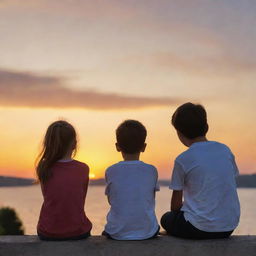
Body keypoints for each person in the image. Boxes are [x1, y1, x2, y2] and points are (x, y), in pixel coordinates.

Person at [161, 103, 240, 239]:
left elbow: (175, 206)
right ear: (207, 127)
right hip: (228, 227)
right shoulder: (225, 150)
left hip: (197, 229)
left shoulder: (183, 159)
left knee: (166, 218)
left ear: (179, 134)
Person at [103, 120, 160, 240]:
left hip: (117, 232)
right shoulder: (151, 170)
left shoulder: (111, 171)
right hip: (147, 232)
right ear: (144, 147)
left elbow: (111, 200)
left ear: (117, 146)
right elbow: (150, 199)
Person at [36, 120, 92, 240]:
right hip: (78, 232)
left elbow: (49, 197)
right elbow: (80, 200)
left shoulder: (43, 168)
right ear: (74, 144)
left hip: (48, 232)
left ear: (48, 144)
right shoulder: (83, 169)